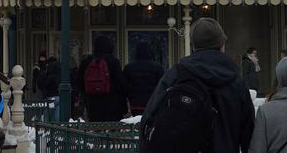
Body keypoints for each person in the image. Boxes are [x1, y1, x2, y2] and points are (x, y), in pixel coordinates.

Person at [140, 18, 254, 153]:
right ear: (221, 45)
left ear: (194, 46)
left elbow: (149, 116)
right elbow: (249, 132)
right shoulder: (236, 81)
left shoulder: (177, 74)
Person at [76, 34, 128, 121]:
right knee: (112, 129)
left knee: (95, 128)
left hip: (92, 103)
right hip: (112, 103)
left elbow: (79, 81)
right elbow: (121, 83)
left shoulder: (86, 61)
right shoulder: (113, 61)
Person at [123, 40, 164, 117]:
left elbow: (124, 86)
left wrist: (130, 96)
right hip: (152, 102)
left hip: (135, 103)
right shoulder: (157, 67)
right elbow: (162, 86)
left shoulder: (129, 68)